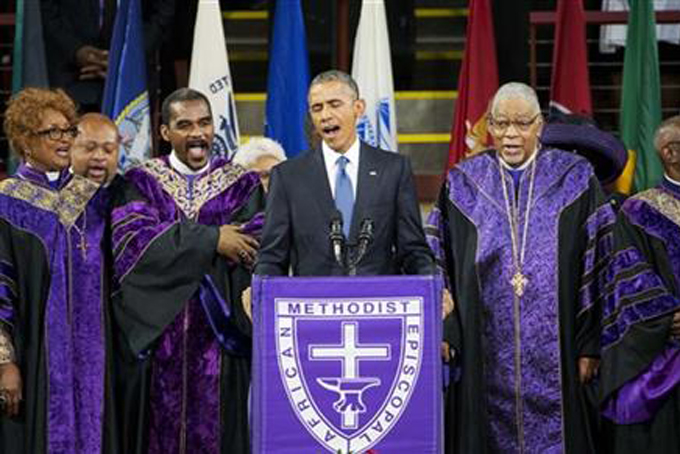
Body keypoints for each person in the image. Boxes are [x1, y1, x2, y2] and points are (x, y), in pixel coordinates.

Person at [427, 82, 607, 453]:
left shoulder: (574, 178)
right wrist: (446, 329)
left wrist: (590, 343)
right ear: (488, 126)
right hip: (483, 347)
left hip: (560, 349)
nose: (510, 134)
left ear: (539, 125)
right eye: (501, 123)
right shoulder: (464, 183)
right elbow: (436, 259)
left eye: (522, 123)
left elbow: (599, 262)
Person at [111, 88, 264, 454]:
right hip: (158, 336)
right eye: (184, 125)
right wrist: (212, 240)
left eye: (205, 122)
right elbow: (134, 243)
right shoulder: (139, 182)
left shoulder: (242, 184)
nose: (197, 133)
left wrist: (179, 247)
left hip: (221, 338)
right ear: (165, 132)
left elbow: (255, 241)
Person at [0, 88, 115, 453]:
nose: (64, 140)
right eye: (52, 132)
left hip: (95, 359)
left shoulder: (95, 199)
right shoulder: (8, 204)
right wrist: (5, 363)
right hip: (36, 358)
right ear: (24, 141)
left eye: (68, 130)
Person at [255, 70, 434, 277]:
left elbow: (413, 250)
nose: (325, 116)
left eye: (334, 104)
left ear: (358, 108)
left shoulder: (393, 169)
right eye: (317, 108)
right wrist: (259, 290)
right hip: (313, 303)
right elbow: (271, 257)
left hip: (377, 302)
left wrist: (433, 286)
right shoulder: (288, 176)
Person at [599, 115, 680, 453]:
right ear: (671, 153)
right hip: (666, 354)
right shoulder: (638, 211)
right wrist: (667, 317)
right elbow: (628, 280)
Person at [41, 0, 176, 111]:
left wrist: (127, 56)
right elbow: (47, 10)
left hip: (131, 77)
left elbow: (163, 12)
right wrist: (76, 51)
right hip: (73, 75)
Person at [71, 112, 120, 185]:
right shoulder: (52, 191)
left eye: (108, 150)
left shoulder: (133, 194)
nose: (99, 156)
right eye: (90, 148)